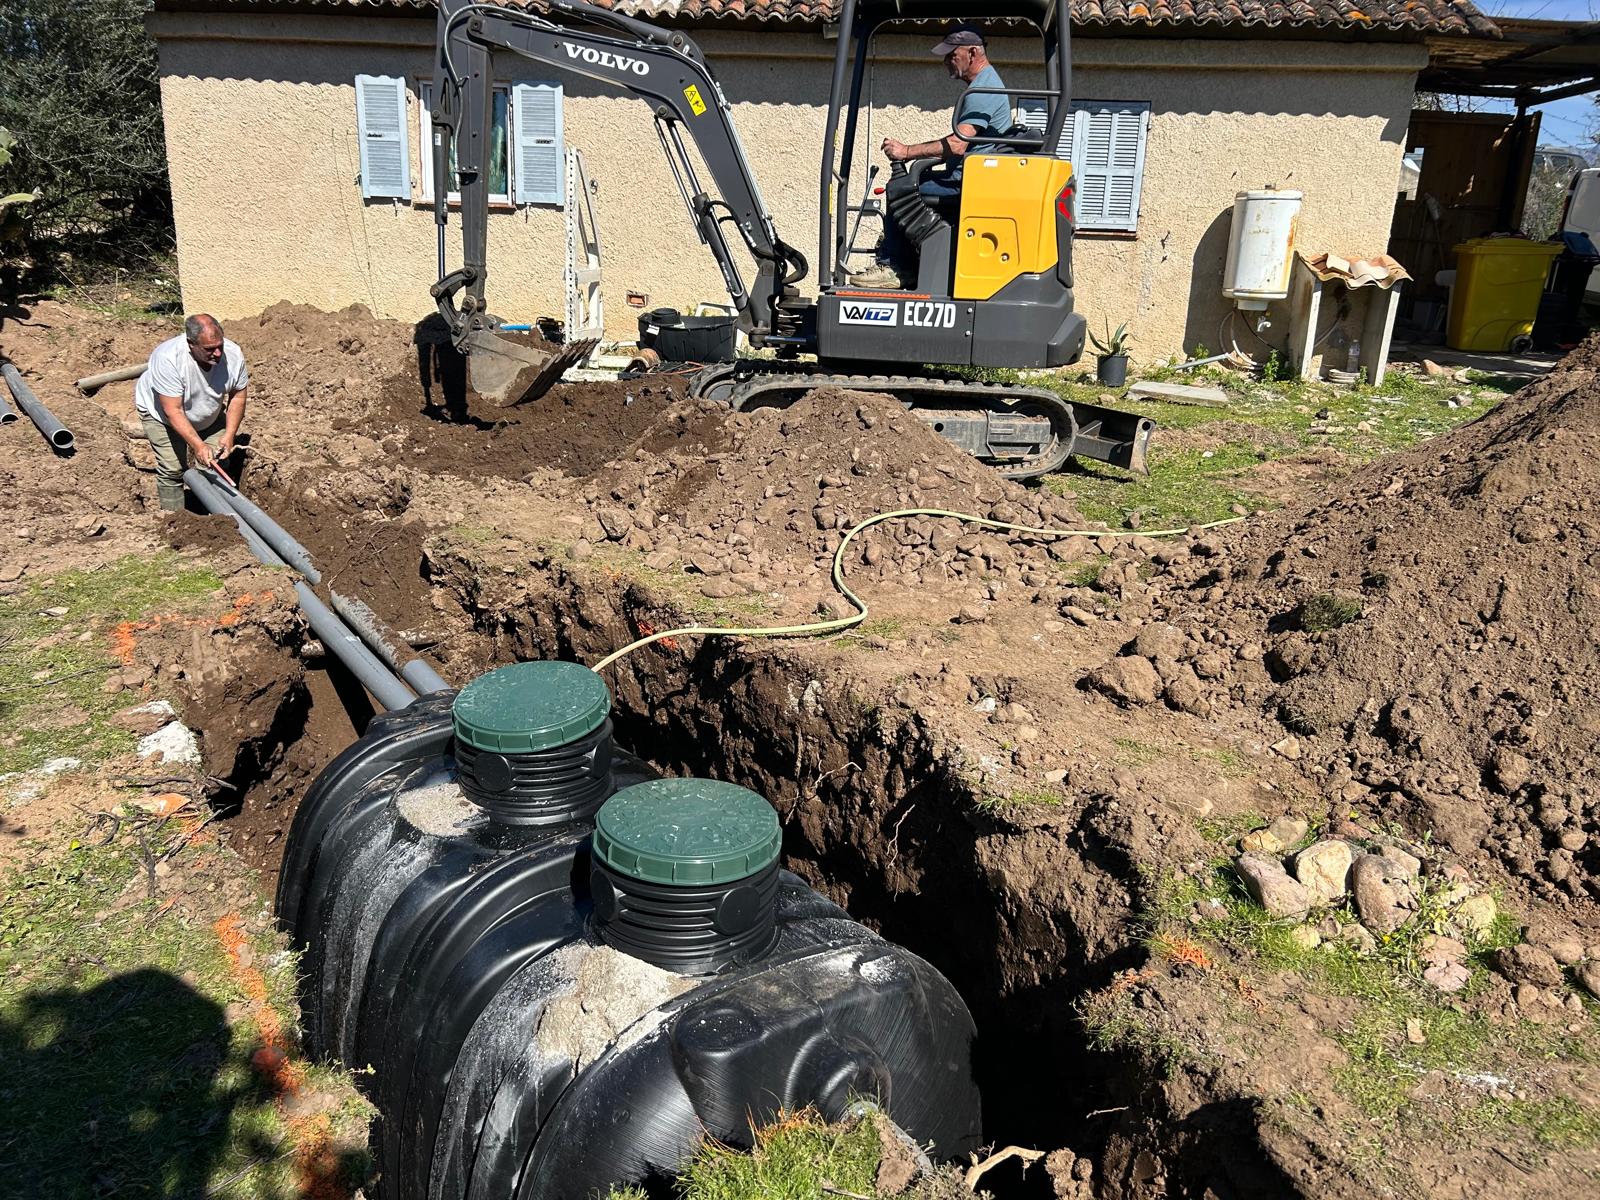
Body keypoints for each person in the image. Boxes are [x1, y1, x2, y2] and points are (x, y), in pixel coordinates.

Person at [849, 25, 1015, 290]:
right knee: (920, 176)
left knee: (899, 188)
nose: (946, 61)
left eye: (952, 55)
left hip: (969, 183)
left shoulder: (984, 89)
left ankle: (895, 266)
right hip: (969, 178)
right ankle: (907, 258)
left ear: (972, 53)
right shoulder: (984, 85)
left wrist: (906, 151)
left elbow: (958, 145)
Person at [134, 314, 249, 511]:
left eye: (219, 346)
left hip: (207, 412)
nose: (218, 353)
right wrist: (198, 445)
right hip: (163, 417)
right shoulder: (168, 358)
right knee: (173, 469)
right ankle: (174, 520)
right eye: (209, 349)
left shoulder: (233, 354)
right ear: (190, 343)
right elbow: (173, 410)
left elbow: (238, 396)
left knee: (214, 463)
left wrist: (229, 435)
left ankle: (219, 519)